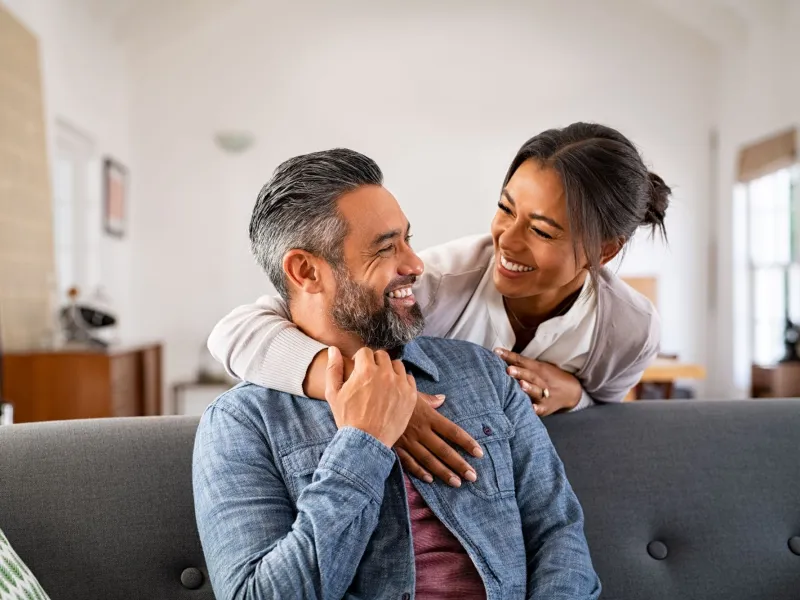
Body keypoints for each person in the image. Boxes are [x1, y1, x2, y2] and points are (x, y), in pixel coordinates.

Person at [193, 149, 600, 599]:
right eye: (387, 247)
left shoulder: (484, 373)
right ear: (306, 271)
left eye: (408, 239)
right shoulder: (242, 423)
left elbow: (558, 532)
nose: (415, 264)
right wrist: (362, 444)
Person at [208, 122, 668, 487]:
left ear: (604, 251)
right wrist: (375, 396)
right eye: (505, 209)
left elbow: (607, 414)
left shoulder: (629, 329)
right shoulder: (438, 283)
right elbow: (235, 332)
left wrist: (575, 395)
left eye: (542, 230)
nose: (506, 240)